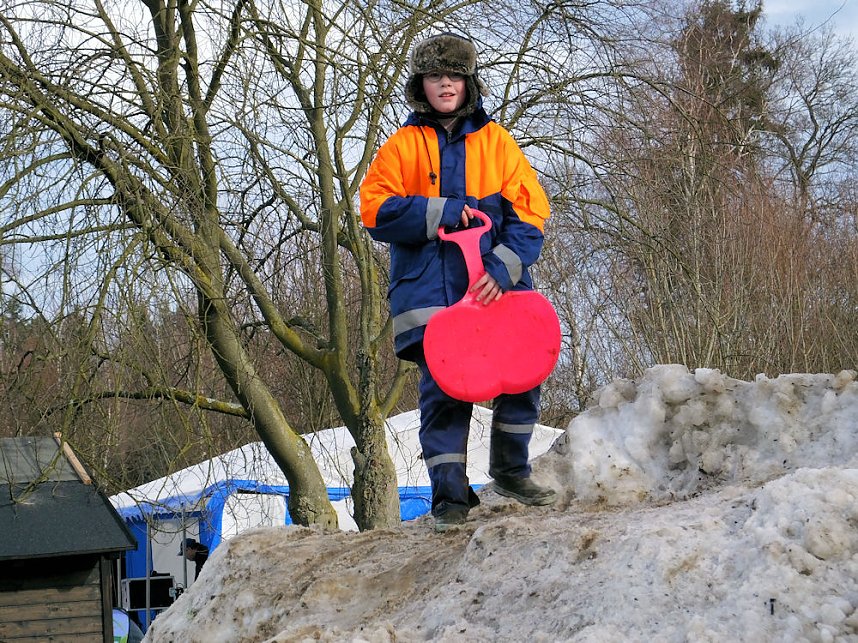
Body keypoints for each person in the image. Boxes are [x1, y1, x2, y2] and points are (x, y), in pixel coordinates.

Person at [360, 32, 557, 532]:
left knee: (523, 376)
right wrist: (442, 211)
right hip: (431, 296)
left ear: (469, 83)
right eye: (434, 76)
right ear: (419, 85)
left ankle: (511, 472)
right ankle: (450, 499)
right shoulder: (402, 147)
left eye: (453, 76)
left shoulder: (498, 143)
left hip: (495, 292)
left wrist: (502, 267)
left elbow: (531, 214)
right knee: (445, 394)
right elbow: (374, 210)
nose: (444, 85)